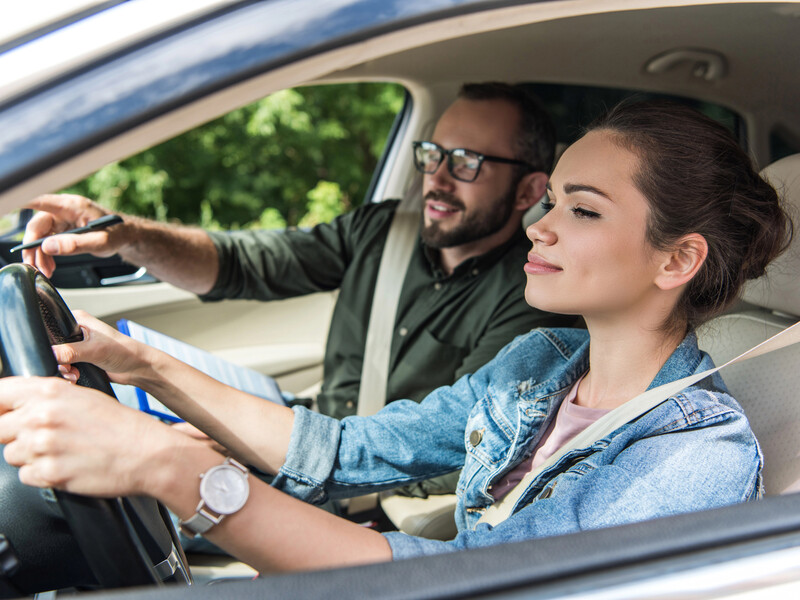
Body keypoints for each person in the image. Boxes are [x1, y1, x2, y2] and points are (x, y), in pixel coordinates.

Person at [0, 100, 791, 573]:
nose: (539, 228)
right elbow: (344, 452)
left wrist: (177, 472)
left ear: (677, 259)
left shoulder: (693, 460)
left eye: (581, 210)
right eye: (550, 202)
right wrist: (142, 363)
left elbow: (468, 583)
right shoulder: (540, 365)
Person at [20, 82, 569, 428]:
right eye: (433, 155)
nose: (439, 179)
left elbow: (455, 446)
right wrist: (126, 236)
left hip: (380, 493)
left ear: (527, 191)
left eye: (467, 162)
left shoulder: (535, 296)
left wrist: (265, 458)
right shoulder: (381, 231)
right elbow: (243, 263)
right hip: (314, 439)